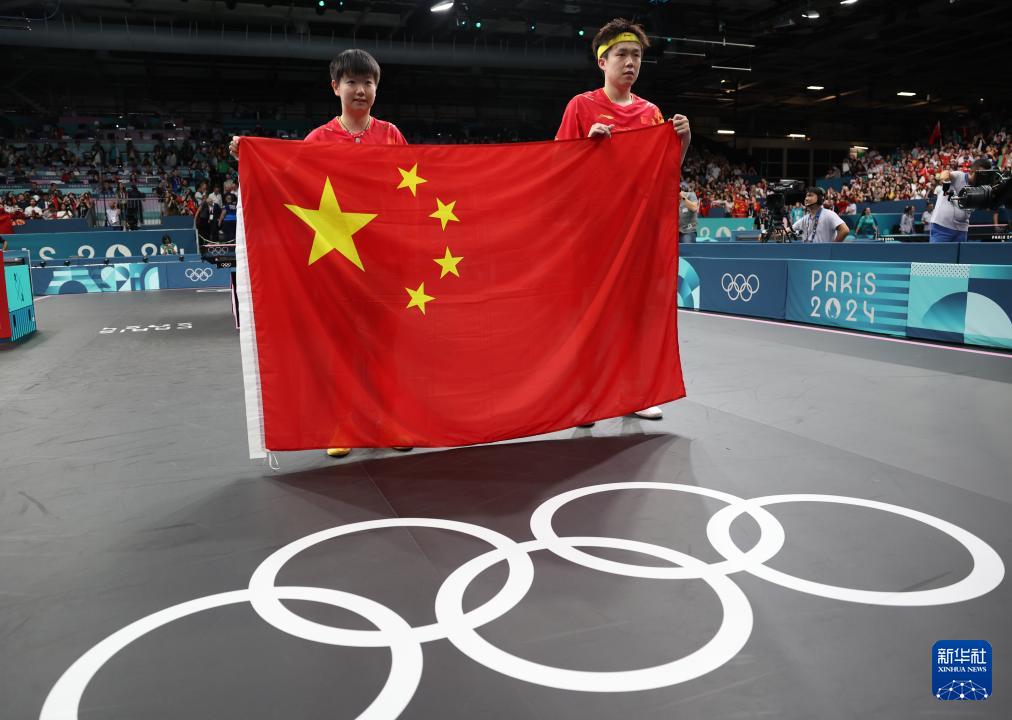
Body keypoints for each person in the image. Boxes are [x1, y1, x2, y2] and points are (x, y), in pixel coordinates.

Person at [231, 49, 409, 459]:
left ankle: (389, 422)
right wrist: (250, 156)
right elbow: (283, 178)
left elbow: (412, 186)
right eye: (352, 82)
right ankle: (341, 424)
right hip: (335, 263)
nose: (360, 90)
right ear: (335, 87)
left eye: (368, 83)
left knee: (384, 346)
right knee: (339, 346)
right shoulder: (318, 139)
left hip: (383, 261)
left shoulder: (391, 135)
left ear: (377, 88)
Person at [555, 17, 691, 422]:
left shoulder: (651, 113)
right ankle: (586, 399)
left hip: (637, 235)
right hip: (592, 234)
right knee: (591, 317)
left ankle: (635, 396)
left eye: (636, 55)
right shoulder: (581, 106)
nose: (630, 62)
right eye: (621, 55)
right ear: (603, 61)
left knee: (635, 315)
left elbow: (665, 174)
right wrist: (586, 146)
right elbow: (557, 168)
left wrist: (682, 142)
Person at [929, 158, 992, 243]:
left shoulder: (981, 187)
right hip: (942, 227)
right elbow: (945, 173)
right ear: (972, 171)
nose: (983, 178)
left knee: (960, 252)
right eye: (981, 174)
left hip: (962, 230)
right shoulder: (959, 176)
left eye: (986, 175)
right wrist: (945, 180)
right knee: (938, 252)